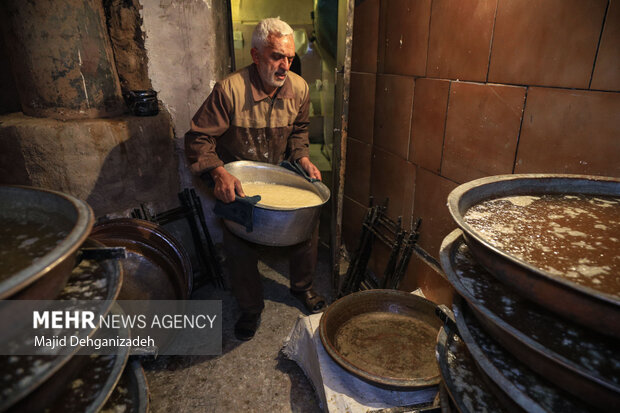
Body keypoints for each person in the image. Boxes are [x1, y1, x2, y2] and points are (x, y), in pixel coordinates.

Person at [185, 17, 326, 341]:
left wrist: (302, 157)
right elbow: (197, 139)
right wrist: (219, 173)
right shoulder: (230, 90)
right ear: (256, 55)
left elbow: (299, 133)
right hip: (241, 180)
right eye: (276, 56)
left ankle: (302, 288)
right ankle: (250, 307)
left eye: (289, 58)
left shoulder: (300, 89)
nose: (284, 66)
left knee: (308, 222)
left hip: (281, 172)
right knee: (239, 240)